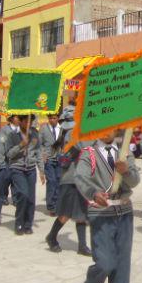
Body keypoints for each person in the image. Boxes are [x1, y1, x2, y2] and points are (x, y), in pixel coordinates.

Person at [74, 129, 140, 283]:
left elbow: (135, 180)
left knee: (122, 266)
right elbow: (81, 177)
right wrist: (93, 193)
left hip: (124, 212)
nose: (107, 132)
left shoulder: (124, 151)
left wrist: (126, 170)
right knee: (105, 263)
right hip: (101, 213)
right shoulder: (89, 153)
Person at [45, 108, 91, 256]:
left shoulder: (71, 133)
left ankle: (82, 246)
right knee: (65, 214)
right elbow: (85, 148)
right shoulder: (71, 135)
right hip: (70, 179)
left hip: (80, 179)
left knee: (81, 214)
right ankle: (52, 236)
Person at [6, 115, 45, 235]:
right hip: (17, 168)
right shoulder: (12, 135)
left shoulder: (35, 134)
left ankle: (28, 224)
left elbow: (38, 152)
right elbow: (9, 154)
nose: (30, 123)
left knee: (31, 198)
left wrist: (41, 171)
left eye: (31, 121)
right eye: (27, 121)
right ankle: (19, 222)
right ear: (21, 122)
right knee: (23, 194)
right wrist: (21, 145)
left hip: (31, 169)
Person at [40, 113, 63, 216]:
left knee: (58, 181)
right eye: (50, 118)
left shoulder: (62, 128)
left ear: (58, 118)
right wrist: (42, 154)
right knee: (52, 181)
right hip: (48, 159)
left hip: (60, 159)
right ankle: (51, 206)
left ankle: (58, 204)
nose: (52, 120)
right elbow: (39, 144)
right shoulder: (43, 129)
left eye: (54, 118)